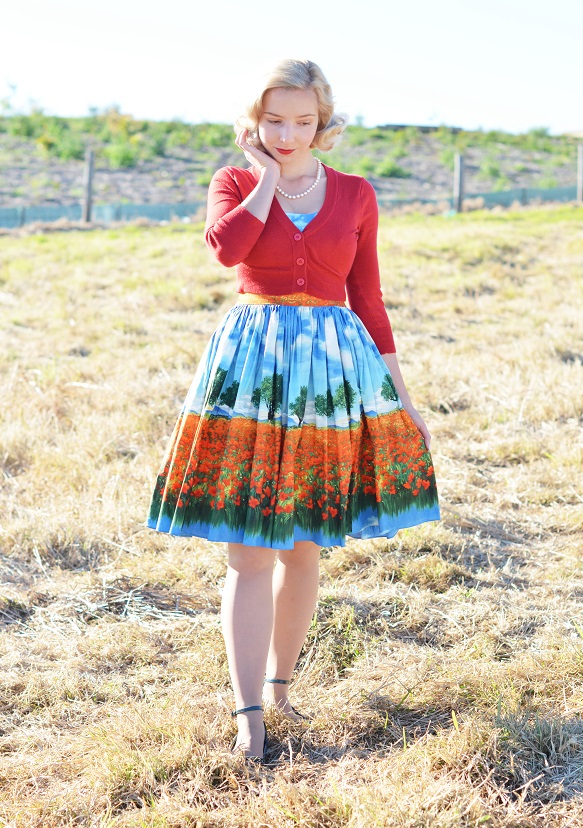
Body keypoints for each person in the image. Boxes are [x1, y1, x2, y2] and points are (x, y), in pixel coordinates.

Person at [147, 59, 440, 760]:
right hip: (252, 368)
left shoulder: (356, 193)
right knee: (248, 548)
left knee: (304, 545)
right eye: (273, 120)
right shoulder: (234, 183)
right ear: (254, 120)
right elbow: (227, 251)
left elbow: (368, 299)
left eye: (302, 122)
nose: (286, 134)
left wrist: (402, 397)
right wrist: (265, 179)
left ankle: (281, 689)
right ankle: (247, 713)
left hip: (329, 374)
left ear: (321, 122)